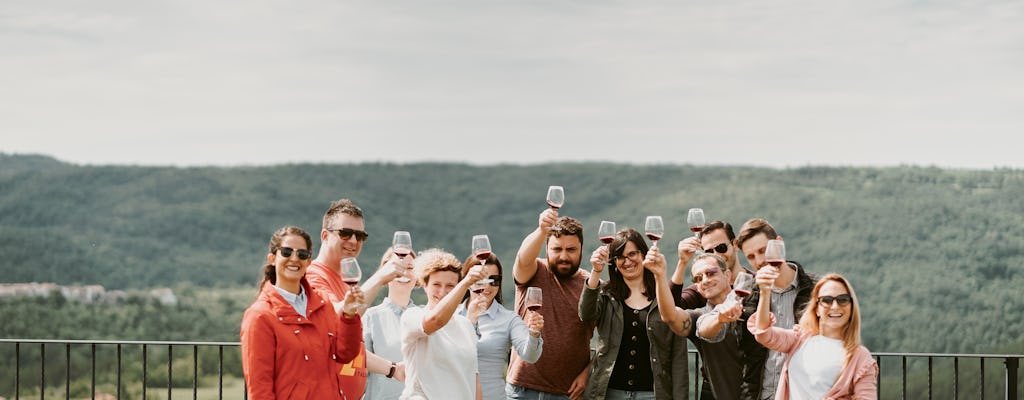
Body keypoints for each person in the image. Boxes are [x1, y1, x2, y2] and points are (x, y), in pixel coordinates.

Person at [240, 226, 364, 399]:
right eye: (286, 252)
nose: (294, 259)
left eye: (302, 254)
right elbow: (260, 389)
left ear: (309, 262)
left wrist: (349, 316)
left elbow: (345, 354)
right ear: (272, 259)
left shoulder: (322, 304)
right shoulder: (260, 315)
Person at [305, 199, 408, 399]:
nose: (353, 241)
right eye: (345, 233)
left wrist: (393, 369)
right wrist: (379, 278)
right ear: (325, 236)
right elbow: (332, 320)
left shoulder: (345, 283)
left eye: (360, 235)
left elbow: (349, 346)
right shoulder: (312, 277)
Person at [580, 228, 690, 400]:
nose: (627, 261)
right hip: (608, 393)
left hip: (653, 395)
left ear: (644, 254)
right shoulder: (606, 295)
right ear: (614, 262)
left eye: (632, 254)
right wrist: (595, 271)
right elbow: (586, 314)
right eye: (621, 257)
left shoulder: (663, 297)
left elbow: (679, 358)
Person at [508, 209, 595, 400]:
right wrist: (541, 230)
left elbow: (610, 339)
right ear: (546, 248)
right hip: (522, 389)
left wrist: (589, 371)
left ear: (581, 248)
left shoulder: (592, 284)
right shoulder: (533, 271)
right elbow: (522, 259)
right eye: (557, 249)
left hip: (568, 393)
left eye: (571, 249)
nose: (564, 256)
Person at [747, 273, 878, 399]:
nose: (835, 306)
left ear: (851, 307)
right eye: (827, 300)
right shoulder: (800, 339)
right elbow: (763, 333)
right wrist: (764, 293)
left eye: (842, 300)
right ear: (817, 308)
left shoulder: (860, 357)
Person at [735, 218, 818, 400]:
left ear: (779, 243)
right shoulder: (748, 296)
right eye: (750, 256)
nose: (759, 261)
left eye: (763, 251)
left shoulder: (816, 290)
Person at [458, 253, 545, 400]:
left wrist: (534, 333)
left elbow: (530, 357)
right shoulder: (452, 314)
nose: (487, 286)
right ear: (466, 280)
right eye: (480, 279)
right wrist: (470, 322)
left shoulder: (509, 319)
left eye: (494, 280)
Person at [400, 248, 484, 400]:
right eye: (436, 284)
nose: (443, 291)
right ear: (425, 285)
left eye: (450, 286)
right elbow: (436, 321)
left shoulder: (465, 325)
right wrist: (466, 283)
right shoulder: (412, 317)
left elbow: (474, 379)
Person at [664, 253, 749, 400]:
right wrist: (660, 276)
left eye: (711, 273)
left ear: (727, 275)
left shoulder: (753, 305)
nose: (705, 280)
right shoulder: (699, 316)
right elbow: (670, 315)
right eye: (698, 278)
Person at [362, 248, 418, 400]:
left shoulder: (425, 318)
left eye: (410, 268)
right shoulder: (369, 318)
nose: (404, 273)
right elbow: (357, 368)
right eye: (398, 267)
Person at [670, 220, 750, 309]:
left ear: (735, 244)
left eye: (721, 248)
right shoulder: (704, 287)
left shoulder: (755, 282)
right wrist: (682, 262)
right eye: (709, 252)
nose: (716, 255)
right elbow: (670, 307)